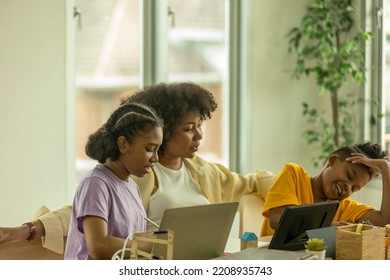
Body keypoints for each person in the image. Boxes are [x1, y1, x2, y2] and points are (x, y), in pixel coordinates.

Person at [0, 82, 275, 254]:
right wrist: (29, 229)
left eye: (200, 125)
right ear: (160, 132)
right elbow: (83, 215)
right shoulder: (135, 176)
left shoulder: (204, 171)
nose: (199, 136)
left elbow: (252, 182)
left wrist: (302, 186)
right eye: (189, 129)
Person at [64, 102, 163, 259]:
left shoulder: (132, 187)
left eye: (158, 150)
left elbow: (129, 242)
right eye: (149, 149)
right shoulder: (95, 184)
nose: (155, 158)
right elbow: (98, 246)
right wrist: (153, 246)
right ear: (123, 144)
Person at [260, 142, 390, 237]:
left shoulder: (344, 207)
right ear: (332, 161)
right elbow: (278, 220)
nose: (348, 187)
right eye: (349, 175)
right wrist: (327, 227)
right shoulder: (294, 174)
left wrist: (386, 168)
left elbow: (385, 221)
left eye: (354, 188)